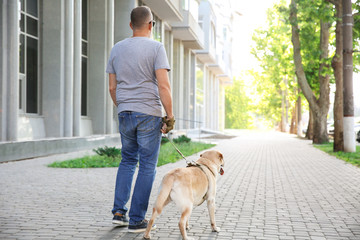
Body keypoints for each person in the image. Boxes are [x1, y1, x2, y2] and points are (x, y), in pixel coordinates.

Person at [106, 6, 175, 233]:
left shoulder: (116, 49)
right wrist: (170, 116)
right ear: (150, 25)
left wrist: (124, 107)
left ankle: (118, 213)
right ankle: (136, 220)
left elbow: (112, 87)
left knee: (127, 160)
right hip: (148, 113)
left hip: (124, 112)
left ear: (130, 25)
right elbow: (163, 86)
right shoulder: (156, 48)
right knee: (147, 166)